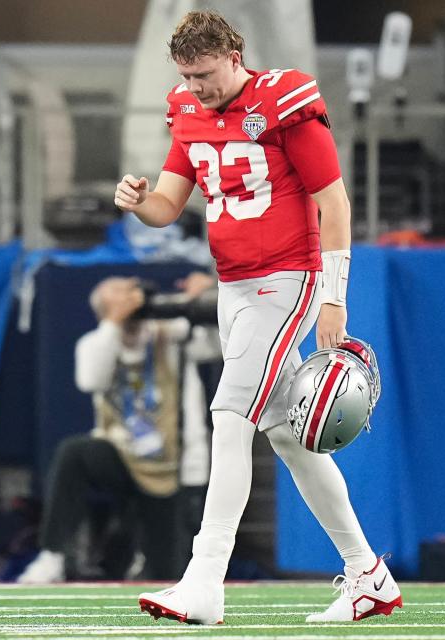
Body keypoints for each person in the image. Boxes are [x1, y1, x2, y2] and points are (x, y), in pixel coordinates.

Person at [113, 10, 401, 625]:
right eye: (188, 76)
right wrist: (140, 203)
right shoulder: (187, 110)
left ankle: (204, 579)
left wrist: (333, 295)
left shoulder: (283, 102)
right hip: (235, 285)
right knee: (290, 440)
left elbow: (334, 202)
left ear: (235, 56)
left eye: (208, 74)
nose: (198, 87)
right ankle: (367, 574)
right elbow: (170, 204)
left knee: (228, 415)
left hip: (286, 279)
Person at [17, 277, 194, 583]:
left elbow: (214, 341)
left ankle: (133, 562)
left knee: (168, 572)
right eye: (117, 293)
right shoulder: (95, 343)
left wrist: (198, 296)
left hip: (168, 464)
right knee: (74, 452)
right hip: (119, 455)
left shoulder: (169, 336)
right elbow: (91, 380)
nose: (129, 294)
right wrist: (113, 322)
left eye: (131, 290)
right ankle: (52, 554)